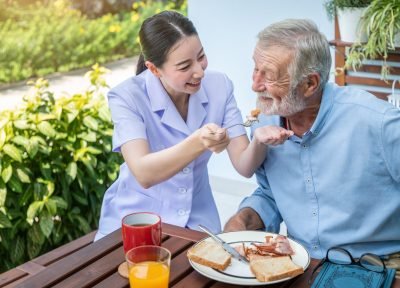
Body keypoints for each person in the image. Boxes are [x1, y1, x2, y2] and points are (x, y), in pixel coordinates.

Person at [95, 11, 292, 240]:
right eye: (184, 66)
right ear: (154, 69)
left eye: (201, 56)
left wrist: (259, 140)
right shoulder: (127, 96)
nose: (199, 71)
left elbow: (244, 165)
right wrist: (198, 142)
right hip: (136, 220)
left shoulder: (220, 86)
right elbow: (143, 173)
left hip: (197, 222)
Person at [224, 18, 400, 272]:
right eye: (256, 69)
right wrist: (245, 219)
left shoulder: (378, 123)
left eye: (269, 76)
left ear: (310, 84)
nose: (255, 84)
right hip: (303, 263)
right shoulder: (265, 121)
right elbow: (272, 193)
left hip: (381, 266)